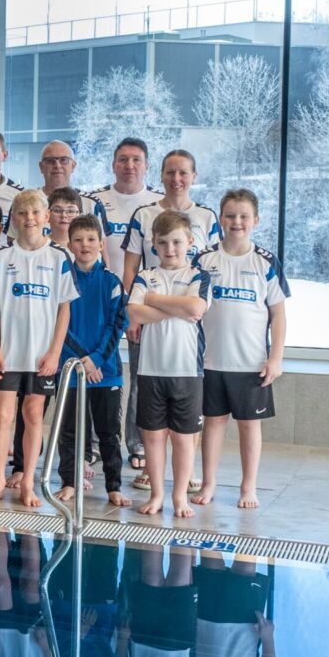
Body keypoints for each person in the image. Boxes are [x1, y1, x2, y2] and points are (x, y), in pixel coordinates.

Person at [122, 149, 220, 491]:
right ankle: (149, 464)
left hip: (187, 330)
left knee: (186, 408)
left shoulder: (206, 217)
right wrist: (137, 313)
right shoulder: (145, 214)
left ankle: (184, 474)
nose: (176, 179)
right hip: (150, 318)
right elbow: (131, 269)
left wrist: (154, 302)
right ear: (161, 175)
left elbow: (202, 288)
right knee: (145, 388)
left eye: (183, 172)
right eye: (170, 172)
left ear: (193, 176)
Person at [0, 190, 77, 507]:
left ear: (46, 217)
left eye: (35, 212)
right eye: (22, 213)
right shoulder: (3, 257)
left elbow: (64, 309)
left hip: (41, 355)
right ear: (14, 219)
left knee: (34, 415)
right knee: (2, 416)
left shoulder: (59, 257)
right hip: (9, 353)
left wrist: (55, 352)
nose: (29, 219)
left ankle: (28, 483)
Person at [192, 189, 288, 510]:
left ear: (255, 220)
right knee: (213, 423)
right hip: (210, 361)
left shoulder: (265, 261)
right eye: (231, 216)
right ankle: (209, 483)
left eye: (244, 216)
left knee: (249, 425)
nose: (237, 222)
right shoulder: (204, 259)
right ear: (221, 219)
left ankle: (248, 486)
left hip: (251, 364)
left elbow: (278, 314)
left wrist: (276, 358)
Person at [127, 210, 211, 517]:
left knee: (183, 438)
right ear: (154, 244)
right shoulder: (146, 276)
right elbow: (134, 313)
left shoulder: (198, 275)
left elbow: (196, 306)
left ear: (189, 241)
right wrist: (177, 308)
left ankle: (179, 497)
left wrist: (152, 300)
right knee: (153, 436)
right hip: (151, 370)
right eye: (163, 243)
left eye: (176, 242)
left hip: (186, 371)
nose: (170, 249)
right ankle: (158, 494)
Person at [87, 137, 160, 472]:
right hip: (100, 301)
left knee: (140, 376)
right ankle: (94, 442)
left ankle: (136, 442)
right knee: (97, 370)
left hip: (139, 304)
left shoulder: (157, 204)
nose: (129, 165)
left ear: (146, 165)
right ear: (113, 164)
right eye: (123, 159)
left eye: (136, 159)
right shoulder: (96, 201)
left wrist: (133, 309)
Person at [55, 214, 131, 508]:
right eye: (78, 240)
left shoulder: (111, 282)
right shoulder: (63, 279)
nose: (84, 245)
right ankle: (69, 481)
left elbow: (117, 324)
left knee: (109, 432)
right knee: (69, 430)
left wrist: (96, 359)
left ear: (101, 244)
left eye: (90, 239)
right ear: (69, 244)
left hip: (105, 371)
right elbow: (59, 325)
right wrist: (82, 361)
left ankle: (113, 486)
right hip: (71, 369)